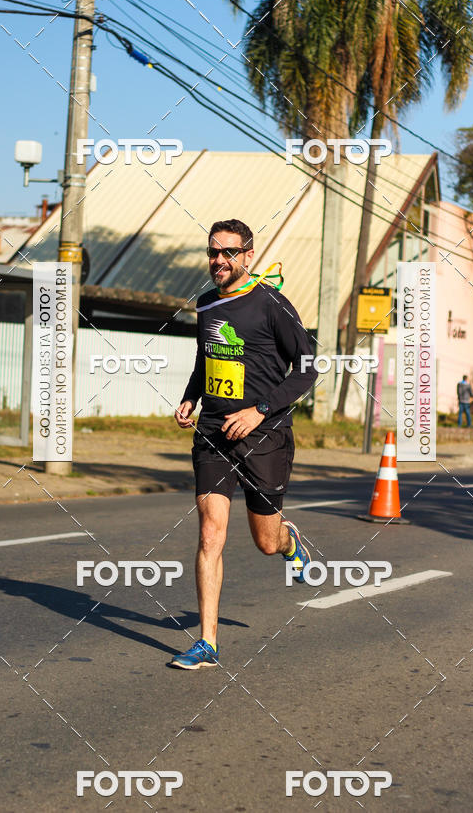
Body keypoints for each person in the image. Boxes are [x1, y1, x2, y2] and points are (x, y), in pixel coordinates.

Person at [169, 219, 318, 670]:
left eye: (228, 252)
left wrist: (259, 410)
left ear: (248, 256)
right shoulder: (207, 303)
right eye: (213, 252)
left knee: (264, 542)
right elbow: (206, 357)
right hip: (213, 433)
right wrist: (190, 398)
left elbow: (309, 366)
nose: (219, 260)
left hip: (265, 436)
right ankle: (207, 643)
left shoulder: (271, 304)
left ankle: (289, 541)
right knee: (210, 534)